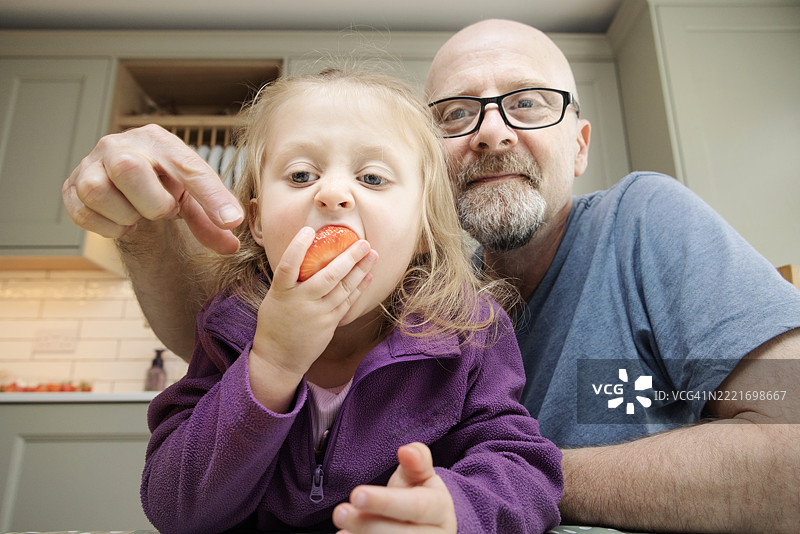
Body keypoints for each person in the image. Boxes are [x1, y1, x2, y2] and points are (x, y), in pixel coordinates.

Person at [63, 19, 800, 533]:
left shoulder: (630, 232)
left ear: (578, 145)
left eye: (528, 102)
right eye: (454, 113)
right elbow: (204, 389)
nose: (491, 130)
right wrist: (148, 233)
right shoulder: (429, 284)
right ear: (436, 181)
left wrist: (470, 496)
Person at [139, 68, 563, 534]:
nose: (334, 194)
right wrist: (272, 364)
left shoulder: (469, 331)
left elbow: (526, 470)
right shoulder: (229, 325)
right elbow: (173, 506)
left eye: (373, 178)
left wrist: (457, 510)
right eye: (301, 175)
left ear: (422, 228)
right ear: (257, 223)